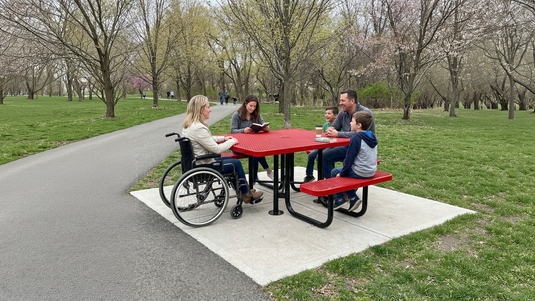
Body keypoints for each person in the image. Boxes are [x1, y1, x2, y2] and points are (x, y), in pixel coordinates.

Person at [182, 95, 263, 204]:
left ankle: (244, 191)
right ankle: (246, 194)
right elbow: (216, 149)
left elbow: (207, 139)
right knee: (236, 163)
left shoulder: (190, 125)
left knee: (231, 161)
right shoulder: (199, 128)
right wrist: (231, 141)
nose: (210, 110)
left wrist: (223, 138)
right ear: (200, 109)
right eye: (208, 107)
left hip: (197, 162)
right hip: (205, 165)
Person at [322, 89, 375, 180]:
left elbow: (359, 134)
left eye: (343, 100)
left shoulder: (365, 113)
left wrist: (338, 134)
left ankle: (338, 188)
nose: (340, 103)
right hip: (345, 145)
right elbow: (334, 126)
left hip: (360, 149)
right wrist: (330, 130)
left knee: (333, 159)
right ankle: (332, 186)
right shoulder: (343, 112)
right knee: (321, 155)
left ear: (352, 101)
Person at [331, 111, 377, 211]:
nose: (350, 123)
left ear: (359, 125)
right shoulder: (371, 136)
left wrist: (342, 173)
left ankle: (339, 199)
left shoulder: (356, 138)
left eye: (352, 121)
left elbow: (349, 159)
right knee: (344, 173)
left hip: (361, 172)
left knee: (335, 172)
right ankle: (353, 198)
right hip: (371, 170)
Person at [230, 94, 274, 181]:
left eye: (254, 106)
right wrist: (243, 130)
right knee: (255, 153)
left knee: (256, 151)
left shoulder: (256, 115)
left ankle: (255, 181)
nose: (252, 108)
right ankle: (265, 174)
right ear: (245, 103)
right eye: (251, 106)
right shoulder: (236, 115)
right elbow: (233, 131)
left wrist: (265, 128)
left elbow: (262, 124)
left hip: (253, 144)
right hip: (239, 145)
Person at [303, 106, 339, 183]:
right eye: (326, 113)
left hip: (334, 146)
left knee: (320, 157)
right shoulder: (326, 125)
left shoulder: (339, 125)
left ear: (336, 115)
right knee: (311, 155)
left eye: (329, 113)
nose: (326, 115)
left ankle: (322, 179)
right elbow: (324, 137)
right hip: (324, 145)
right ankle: (309, 175)